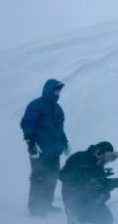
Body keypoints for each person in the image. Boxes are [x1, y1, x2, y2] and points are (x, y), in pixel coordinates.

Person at [20, 78, 70, 217]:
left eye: (59, 90)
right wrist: (31, 142)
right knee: (39, 178)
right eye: (57, 90)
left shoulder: (57, 108)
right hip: (39, 151)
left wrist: (64, 141)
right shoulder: (36, 105)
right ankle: (35, 207)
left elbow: (59, 129)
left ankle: (46, 204)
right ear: (50, 90)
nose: (59, 92)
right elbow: (27, 123)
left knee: (52, 177)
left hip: (54, 151)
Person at [59, 141, 118, 224]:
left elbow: (98, 184)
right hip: (73, 197)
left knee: (107, 219)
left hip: (91, 200)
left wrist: (108, 184)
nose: (107, 161)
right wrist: (85, 180)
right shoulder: (79, 158)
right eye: (107, 157)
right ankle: (74, 216)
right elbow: (62, 176)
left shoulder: (99, 164)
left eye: (111, 157)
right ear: (98, 153)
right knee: (79, 218)